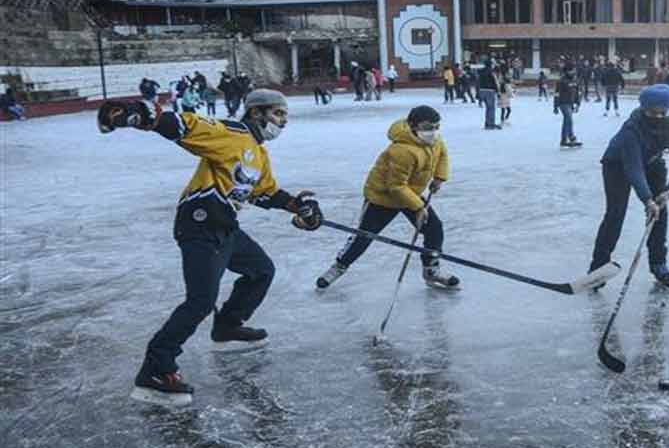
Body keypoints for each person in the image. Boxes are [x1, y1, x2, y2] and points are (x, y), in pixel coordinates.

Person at [96, 89, 324, 406]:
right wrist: (143, 114)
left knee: (260, 270)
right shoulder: (232, 133)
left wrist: (297, 206)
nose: (283, 122)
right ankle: (155, 369)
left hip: (225, 226)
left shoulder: (257, 151)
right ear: (257, 113)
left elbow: (263, 192)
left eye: (285, 116)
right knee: (200, 301)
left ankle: (228, 327)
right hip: (200, 224)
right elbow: (188, 127)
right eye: (278, 114)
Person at [315, 105, 459, 291]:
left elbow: (442, 155)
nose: (432, 131)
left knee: (433, 228)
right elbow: (396, 186)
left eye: (435, 126)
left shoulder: (435, 141)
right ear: (412, 125)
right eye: (426, 127)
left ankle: (431, 270)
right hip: (382, 198)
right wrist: (417, 207)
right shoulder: (401, 151)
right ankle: (339, 266)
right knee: (364, 236)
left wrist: (439, 177)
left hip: (410, 194)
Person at [589, 84, 669, 288]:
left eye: (664, 112)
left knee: (660, 213)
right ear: (644, 108)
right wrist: (647, 199)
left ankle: (659, 263)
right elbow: (633, 168)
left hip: (652, 163)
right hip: (617, 165)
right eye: (653, 112)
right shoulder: (632, 129)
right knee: (615, 214)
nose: (658, 117)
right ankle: (598, 268)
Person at [553, 62, 582, 147]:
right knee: (568, 119)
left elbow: (577, 92)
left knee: (568, 120)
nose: (574, 71)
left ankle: (566, 139)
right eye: (572, 70)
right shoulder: (561, 81)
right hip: (563, 103)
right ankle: (568, 138)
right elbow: (557, 94)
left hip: (571, 103)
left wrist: (578, 103)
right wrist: (555, 106)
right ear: (567, 71)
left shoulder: (575, 80)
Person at [478, 61, 501, 129]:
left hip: (482, 90)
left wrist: (478, 94)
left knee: (487, 108)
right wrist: (498, 92)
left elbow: (478, 82)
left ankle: (487, 123)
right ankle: (491, 124)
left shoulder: (481, 72)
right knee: (491, 108)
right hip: (490, 91)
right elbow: (495, 82)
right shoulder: (491, 72)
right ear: (490, 65)